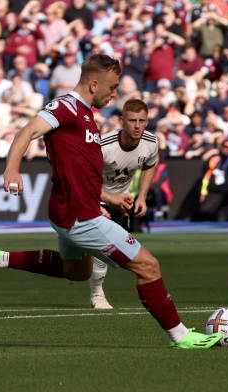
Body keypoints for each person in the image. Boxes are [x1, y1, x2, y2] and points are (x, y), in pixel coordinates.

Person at [0, 54, 222, 349]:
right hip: (81, 215)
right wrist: (12, 168)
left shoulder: (86, 114)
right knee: (148, 266)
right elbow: (28, 131)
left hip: (73, 210)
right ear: (93, 84)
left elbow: (81, 169)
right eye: (112, 87)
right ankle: (181, 336)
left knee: (76, 271)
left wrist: (109, 197)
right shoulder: (66, 107)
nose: (114, 94)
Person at [90, 98, 159, 310]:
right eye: (132, 120)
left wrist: (141, 197)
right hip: (94, 199)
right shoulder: (104, 147)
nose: (137, 125)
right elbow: (84, 178)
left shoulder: (151, 142)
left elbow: (150, 164)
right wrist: (95, 204)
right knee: (99, 250)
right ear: (122, 121)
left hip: (121, 202)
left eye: (141, 120)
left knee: (113, 255)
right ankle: (96, 294)